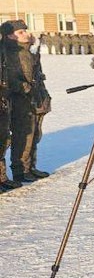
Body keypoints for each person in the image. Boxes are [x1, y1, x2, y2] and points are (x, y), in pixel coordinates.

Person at [2, 19, 50, 184]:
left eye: (25, 31)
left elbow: (35, 75)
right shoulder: (10, 53)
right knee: (22, 135)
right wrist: (26, 89)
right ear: (10, 36)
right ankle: (19, 170)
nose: (26, 34)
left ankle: (29, 167)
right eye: (20, 32)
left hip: (33, 98)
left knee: (34, 133)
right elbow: (11, 77)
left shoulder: (26, 51)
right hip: (20, 99)